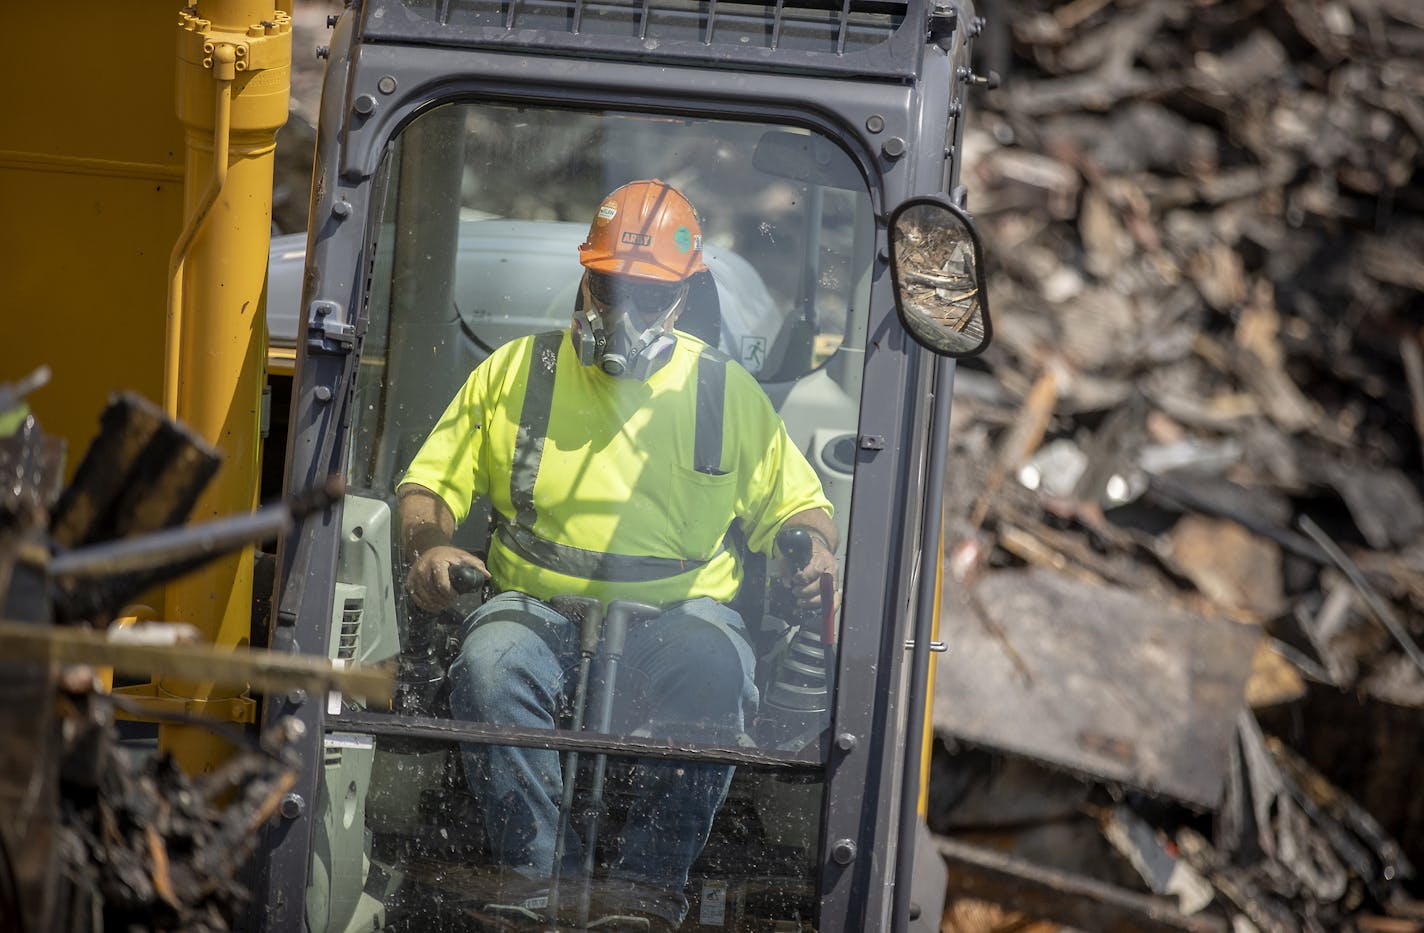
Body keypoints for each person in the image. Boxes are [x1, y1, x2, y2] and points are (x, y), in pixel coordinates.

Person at [395, 179, 838, 931]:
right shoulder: (517, 373)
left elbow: (799, 504)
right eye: (607, 285)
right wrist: (429, 543)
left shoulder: (722, 393)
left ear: (683, 295)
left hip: (679, 619)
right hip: (536, 608)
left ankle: (641, 893)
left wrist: (816, 551)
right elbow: (428, 485)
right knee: (490, 662)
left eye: (643, 291)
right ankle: (538, 880)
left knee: (715, 668)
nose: (620, 310)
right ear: (585, 277)